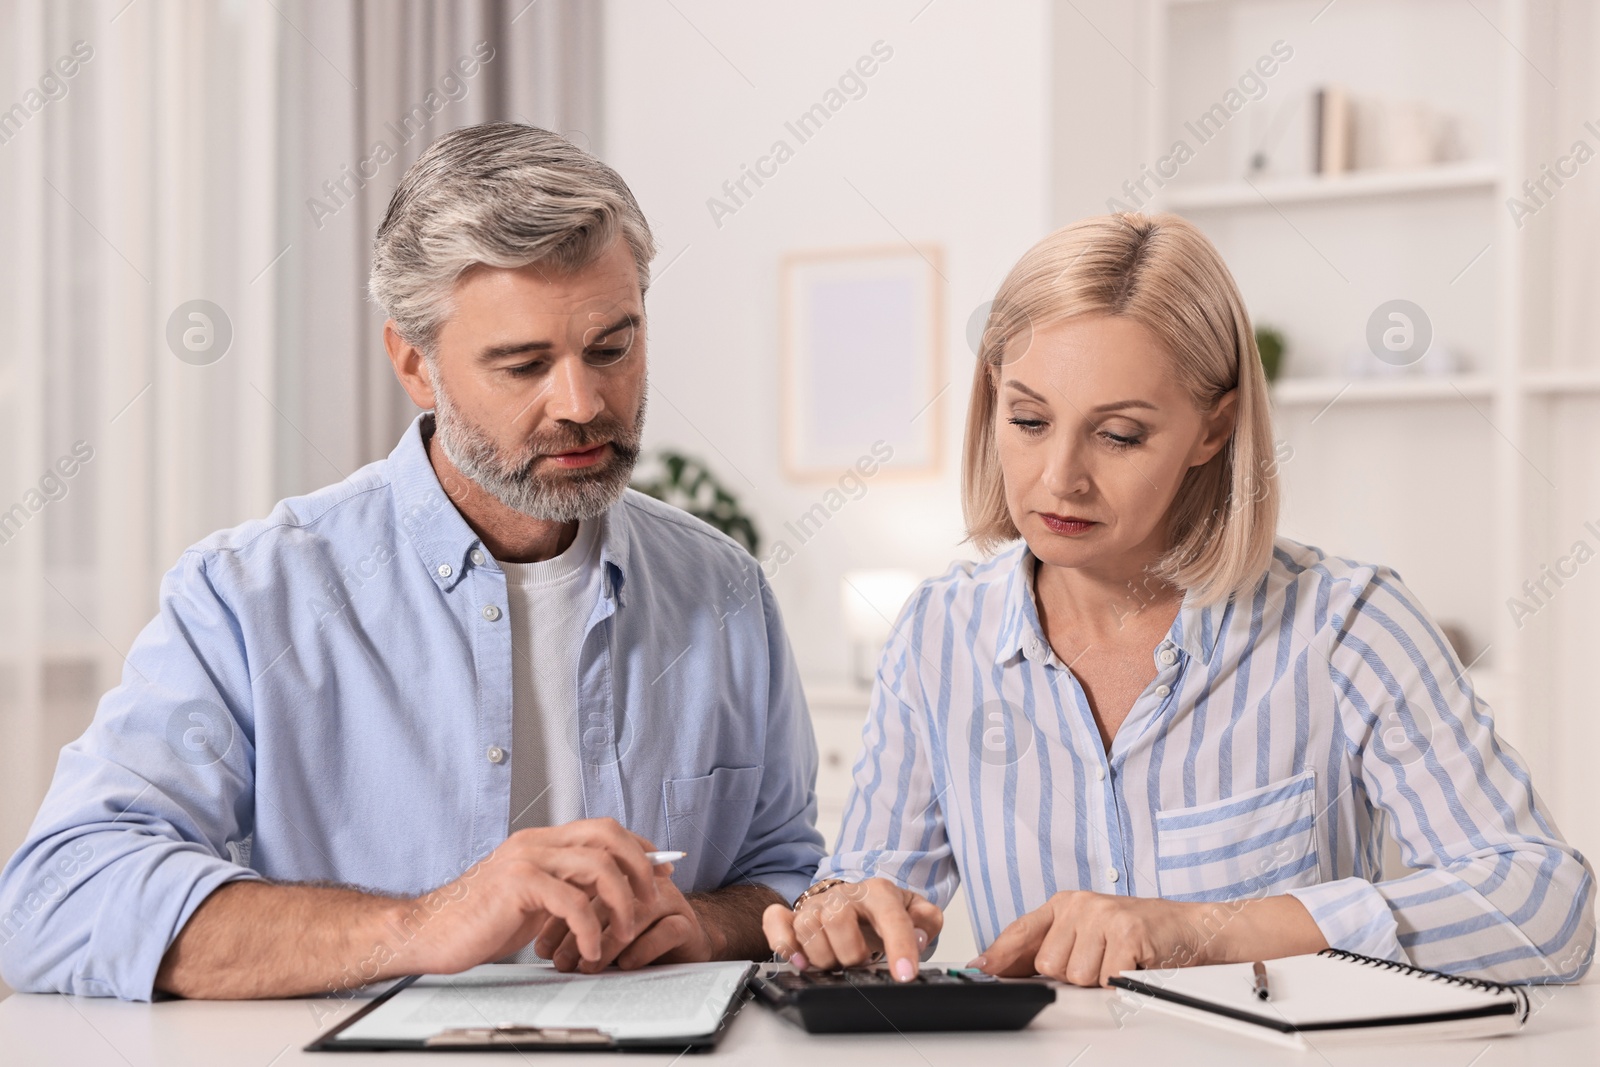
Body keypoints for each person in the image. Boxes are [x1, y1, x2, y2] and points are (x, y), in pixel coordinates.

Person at [0, 123, 823, 1002]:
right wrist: (424, 923)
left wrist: (708, 922)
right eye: (523, 364)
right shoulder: (249, 596)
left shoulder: (724, 590)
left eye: (612, 348)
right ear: (414, 364)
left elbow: (786, 871)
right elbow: (55, 900)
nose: (582, 403)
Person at [764, 212, 1596, 989]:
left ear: (1214, 426)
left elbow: (1547, 906)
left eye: (1119, 434)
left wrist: (1202, 930)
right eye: (1028, 420)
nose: (1061, 477)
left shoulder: (1346, 624)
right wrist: (844, 920)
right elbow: (876, 902)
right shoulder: (938, 636)